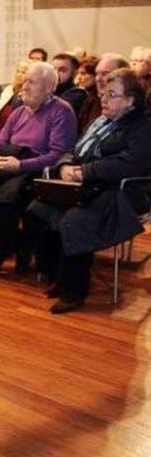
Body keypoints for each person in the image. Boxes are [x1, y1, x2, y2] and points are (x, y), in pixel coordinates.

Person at [26, 69, 151, 313]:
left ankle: (75, 290)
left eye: (112, 94)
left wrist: (86, 171)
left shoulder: (143, 125)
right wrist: (64, 167)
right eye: (103, 93)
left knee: (75, 220)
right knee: (39, 209)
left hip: (121, 190)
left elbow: (131, 163)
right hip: (87, 184)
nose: (103, 99)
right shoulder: (101, 122)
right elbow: (74, 150)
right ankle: (58, 276)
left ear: (130, 100)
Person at [0, 62, 77, 273]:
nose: (24, 86)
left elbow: (56, 155)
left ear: (49, 87)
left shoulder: (61, 111)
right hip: (8, 167)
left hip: (37, 172)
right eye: (24, 81)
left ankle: (3, 249)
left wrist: (20, 164)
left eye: (31, 82)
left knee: (5, 202)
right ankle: (14, 243)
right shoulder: (19, 112)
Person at [78, 54, 130, 134]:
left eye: (105, 74)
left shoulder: (132, 109)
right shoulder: (92, 99)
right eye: (97, 74)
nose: (98, 79)